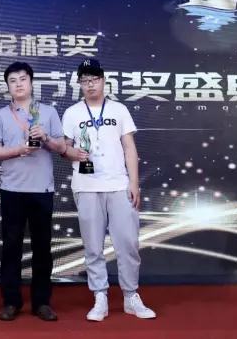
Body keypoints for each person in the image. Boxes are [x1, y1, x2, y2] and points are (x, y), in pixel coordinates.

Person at [61, 58, 156, 321]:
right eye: (85, 81)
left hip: (118, 185)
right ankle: (99, 296)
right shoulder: (72, 113)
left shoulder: (119, 109)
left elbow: (129, 147)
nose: (90, 85)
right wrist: (72, 153)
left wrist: (133, 183)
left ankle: (130, 296)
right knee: (93, 245)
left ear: (103, 81)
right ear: (79, 84)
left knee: (128, 242)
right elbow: (64, 148)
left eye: (94, 79)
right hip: (86, 186)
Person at [0, 61, 66, 322]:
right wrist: (21, 149)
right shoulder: (0, 116)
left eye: (23, 79)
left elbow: (61, 148)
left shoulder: (48, 112)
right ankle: (11, 302)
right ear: (8, 86)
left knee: (42, 247)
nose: (18, 84)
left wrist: (46, 138)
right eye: (13, 80)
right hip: (12, 189)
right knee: (11, 247)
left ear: (31, 82)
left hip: (42, 189)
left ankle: (41, 302)